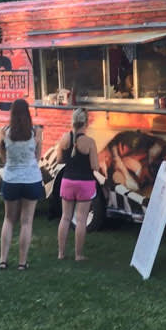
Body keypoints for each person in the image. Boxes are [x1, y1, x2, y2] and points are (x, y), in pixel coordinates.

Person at [0, 99, 44, 271]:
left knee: (9, 220)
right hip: (31, 179)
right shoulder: (35, 132)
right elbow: (38, 157)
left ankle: (3, 260)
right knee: (26, 222)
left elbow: (3, 156)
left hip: (11, 179)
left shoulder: (5, 132)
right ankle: (22, 263)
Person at [56, 108, 99, 261]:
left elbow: (59, 159)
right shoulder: (90, 142)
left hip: (67, 181)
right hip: (85, 183)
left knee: (65, 217)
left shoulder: (64, 138)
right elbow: (95, 166)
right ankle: (78, 255)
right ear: (86, 123)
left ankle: (61, 253)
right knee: (81, 220)